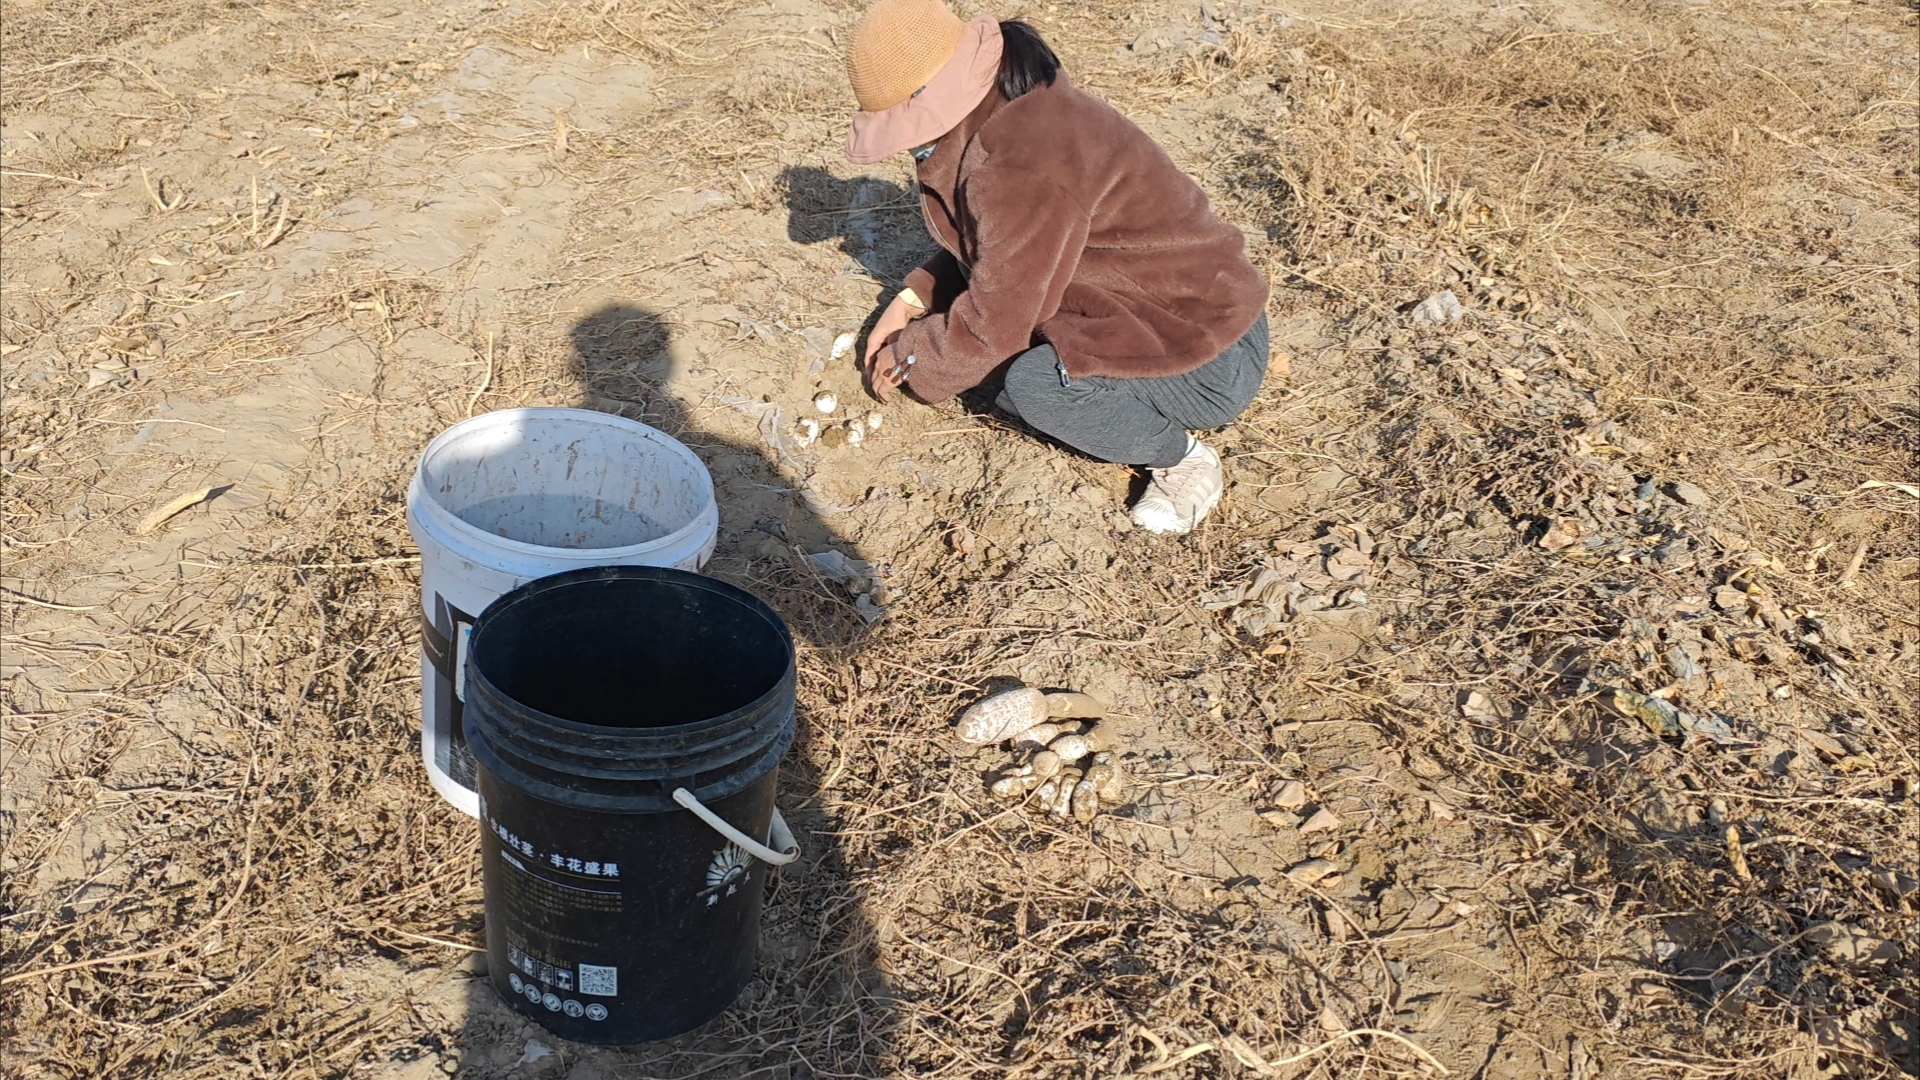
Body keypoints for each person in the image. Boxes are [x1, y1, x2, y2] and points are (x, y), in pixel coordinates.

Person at [845, 0, 1271, 535]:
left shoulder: (1016, 166)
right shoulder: (1016, 111)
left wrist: (912, 357)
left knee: (1031, 387)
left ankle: (1181, 460)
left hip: (1205, 357)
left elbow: (995, 326)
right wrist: (912, 300)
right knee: (995, 374)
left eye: (906, 132)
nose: (908, 148)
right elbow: (1000, 251)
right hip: (1207, 311)